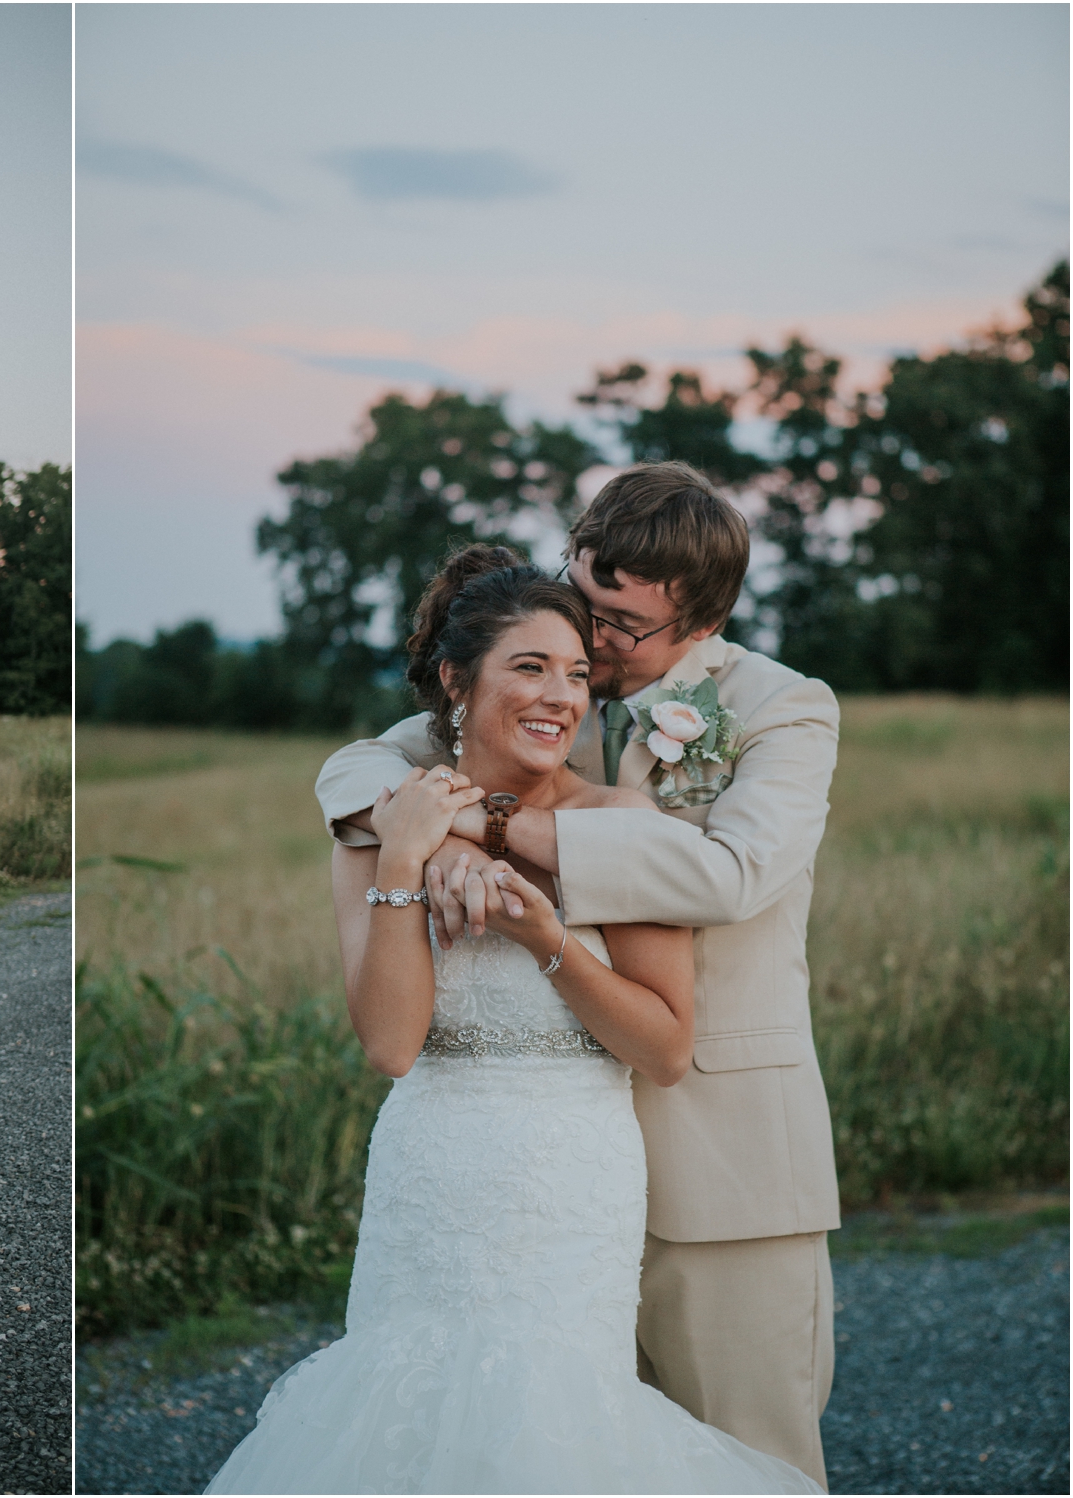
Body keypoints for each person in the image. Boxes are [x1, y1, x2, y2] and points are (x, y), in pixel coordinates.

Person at [208, 549, 817, 1494]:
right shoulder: (389, 820)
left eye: (576, 673)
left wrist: (548, 938)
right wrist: (410, 859)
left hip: (570, 1190)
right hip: (431, 1183)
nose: (563, 696)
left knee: (560, 1436)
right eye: (529, 668)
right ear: (456, 681)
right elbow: (391, 1046)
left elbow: (663, 1050)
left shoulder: (619, 825)